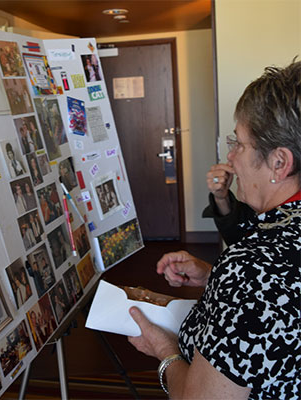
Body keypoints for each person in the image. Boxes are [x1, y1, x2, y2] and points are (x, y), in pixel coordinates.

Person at [127, 61, 301, 398]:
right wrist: (214, 275)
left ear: (280, 162)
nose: (231, 158)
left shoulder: (253, 267)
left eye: (239, 144)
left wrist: (164, 350)